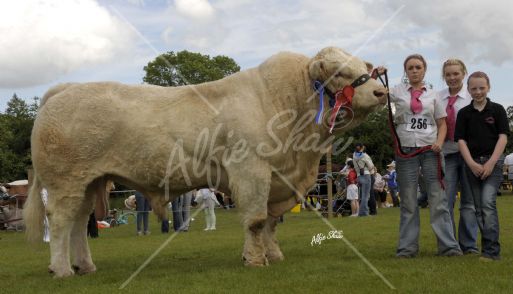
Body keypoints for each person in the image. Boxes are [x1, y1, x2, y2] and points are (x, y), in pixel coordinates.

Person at [377, 54, 462, 257]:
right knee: (408, 199)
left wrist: (439, 144)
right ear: (406, 71)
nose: (414, 71)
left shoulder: (433, 96)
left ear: (424, 69)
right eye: (410, 68)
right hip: (406, 151)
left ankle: (448, 247)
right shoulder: (396, 91)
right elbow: (378, 95)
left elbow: (442, 124)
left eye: (418, 67)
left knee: (437, 199)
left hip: (430, 150)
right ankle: (407, 248)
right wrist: (376, 75)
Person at [455, 71, 509, 261]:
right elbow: (460, 140)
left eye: (481, 88)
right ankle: (487, 250)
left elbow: (503, 137)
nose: (478, 92)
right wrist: (471, 163)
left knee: (488, 204)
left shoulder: (498, 110)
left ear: (488, 87)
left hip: (493, 163)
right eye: (473, 88)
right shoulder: (464, 114)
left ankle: (493, 252)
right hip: (471, 164)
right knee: (478, 208)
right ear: (468, 89)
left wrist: (492, 162)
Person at [438, 59, 478, 254]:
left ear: (464, 73)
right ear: (443, 76)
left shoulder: (473, 97)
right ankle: (449, 245)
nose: (452, 78)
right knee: (445, 201)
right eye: (448, 74)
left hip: (468, 154)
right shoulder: (438, 97)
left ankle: (469, 245)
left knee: (469, 203)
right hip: (446, 154)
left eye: (456, 73)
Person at [352, 143, 375, 217]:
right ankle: (364, 213)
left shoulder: (354, 156)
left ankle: (362, 212)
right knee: (366, 195)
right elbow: (371, 166)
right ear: (362, 148)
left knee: (363, 195)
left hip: (359, 175)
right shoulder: (365, 155)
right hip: (366, 174)